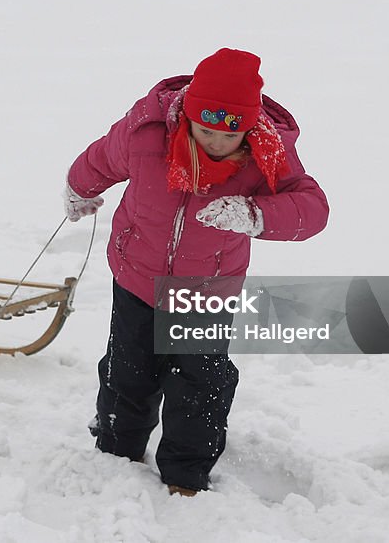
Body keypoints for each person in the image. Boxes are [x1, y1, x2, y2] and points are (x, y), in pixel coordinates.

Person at [63, 48, 329, 496]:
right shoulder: (147, 133)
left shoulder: (266, 152)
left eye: (229, 135)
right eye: (205, 130)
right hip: (135, 276)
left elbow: (312, 209)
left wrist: (254, 213)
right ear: (188, 114)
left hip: (205, 293)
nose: (216, 143)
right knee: (128, 372)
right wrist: (78, 187)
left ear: (248, 128)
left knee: (199, 384)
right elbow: (102, 158)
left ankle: (185, 473)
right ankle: (116, 451)